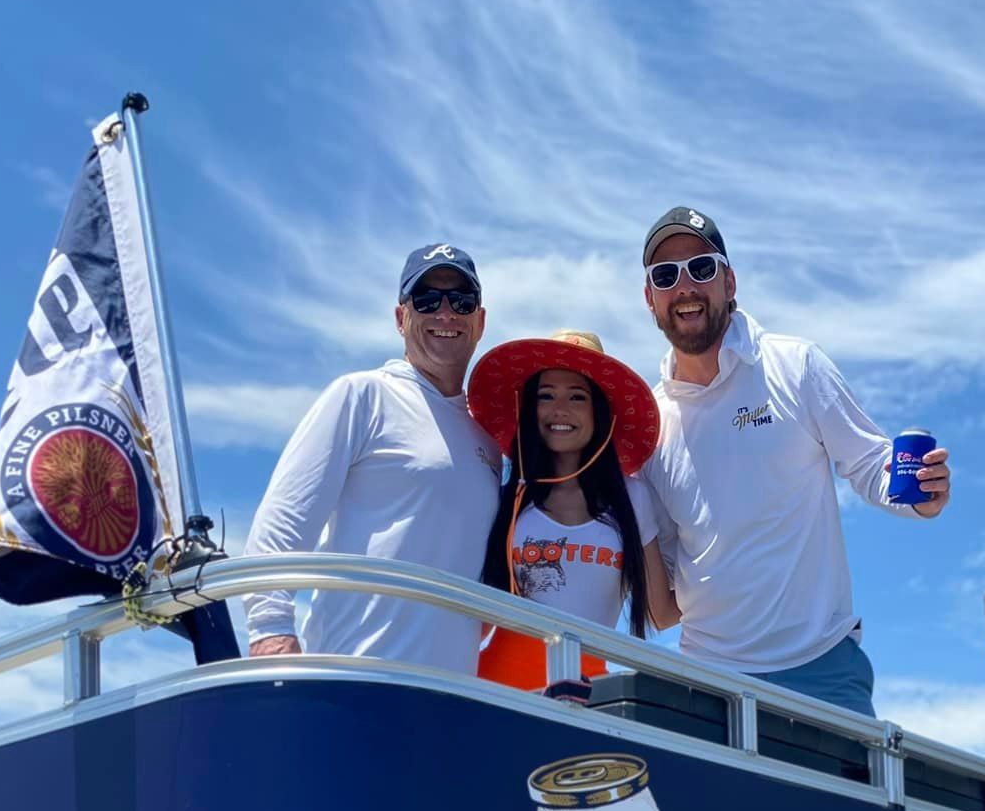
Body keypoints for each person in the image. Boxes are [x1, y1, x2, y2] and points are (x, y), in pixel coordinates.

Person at [637, 206, 951, 718]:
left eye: (702, 268)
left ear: (729, 281)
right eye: (666, 275)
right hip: (707, 681)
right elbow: (665, 592)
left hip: (823, 671)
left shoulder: (795, 365)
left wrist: (924, 496)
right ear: (650, 299)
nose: (686, 286)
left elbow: (873, 465)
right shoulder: (651, 423)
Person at [243, 243, 503, 671]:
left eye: (461, 301)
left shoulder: (489, 436)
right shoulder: (362, 395)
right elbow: (282, 522)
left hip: (454, 697)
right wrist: (270, 631)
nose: (445, 313)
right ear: (402, 318)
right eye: (426, 299)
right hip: (355, 675)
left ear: (480, 321)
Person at [466, 330, 676, 690]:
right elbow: (476, 616)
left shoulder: (632, 497)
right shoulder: (504, 499)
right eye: (546, 396)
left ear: (600, 413)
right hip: (500, 689)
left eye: (577, 397)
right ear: (529, 409)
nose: (559, 410)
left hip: (587, 695)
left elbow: (663, 612)